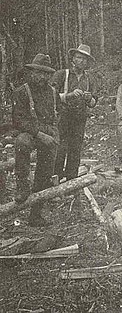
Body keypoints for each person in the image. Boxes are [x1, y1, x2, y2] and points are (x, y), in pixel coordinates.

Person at [12, 54, 60, 226]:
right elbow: (18, 120)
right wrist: (39, 134)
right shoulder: (21, 92)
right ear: (32, 72)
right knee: (22, 142)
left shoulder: (53, 92)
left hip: (49, 133)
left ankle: (36, 214)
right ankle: (22, 185)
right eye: (39, 73)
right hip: (32, 132)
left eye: (46, 74)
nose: (42, 77)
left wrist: (53, 134)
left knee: (45, 173)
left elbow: (58, 113)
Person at [52, 44, 97, 181]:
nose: (82, 61)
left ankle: (71, 183)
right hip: (63, 117)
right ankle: (55, 181)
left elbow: (94, 102)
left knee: (75, 150)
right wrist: (69, 95)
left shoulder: (89, 79)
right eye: (79, 58)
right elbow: (50, 96)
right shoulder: (62, 74)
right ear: (73, 59)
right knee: (60, 149)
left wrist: (90, 99)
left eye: (85, 59)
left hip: (80, 118)